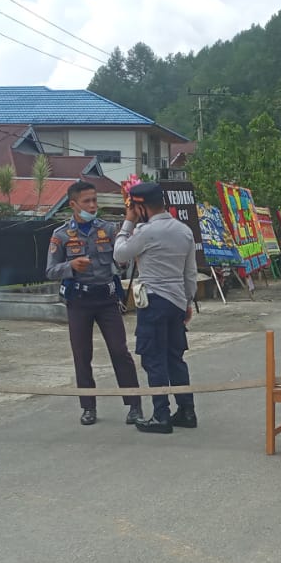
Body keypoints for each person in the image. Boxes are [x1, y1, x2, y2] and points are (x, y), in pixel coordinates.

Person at [46, 181, 143, 426]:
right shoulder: (61, 236)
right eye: (87, 201)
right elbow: (50, 270)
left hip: (107, 299)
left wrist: (122, 263)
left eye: (94, 200)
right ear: (73, 205)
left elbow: (122, 258)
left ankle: (134, 405)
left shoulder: (109, 229)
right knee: (82, 355)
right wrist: (70, 266)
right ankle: (88, 406)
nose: (92, 205)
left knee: (120, 351)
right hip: (79, 301)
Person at [114, 182, 198, 434]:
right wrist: (187, 302)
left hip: (154, 302)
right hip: (176, 302)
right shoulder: (183, 230)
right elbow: (190, 273)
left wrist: (127, 224)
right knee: (175, 358)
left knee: (153, 359)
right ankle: (186, 410)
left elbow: (120, 255)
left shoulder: (146, 232)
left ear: (139, 206)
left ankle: (161, 415)